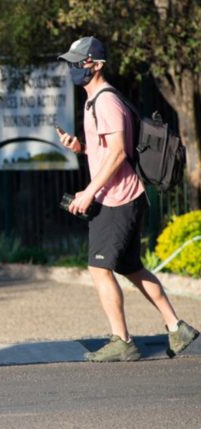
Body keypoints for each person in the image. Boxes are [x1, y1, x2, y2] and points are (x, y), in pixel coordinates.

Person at [56, 37, 199, 362]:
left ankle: (122, 340)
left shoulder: (105, 101)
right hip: (120, 197)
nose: (74, 68)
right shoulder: (95, 101)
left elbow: (120, 152)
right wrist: (81, 148)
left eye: (79, 62)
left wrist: (89, 192)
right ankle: (178, 328)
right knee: (131, 267)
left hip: (117, 200)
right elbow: (111, 148)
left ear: (95, 64)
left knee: (98, 269)